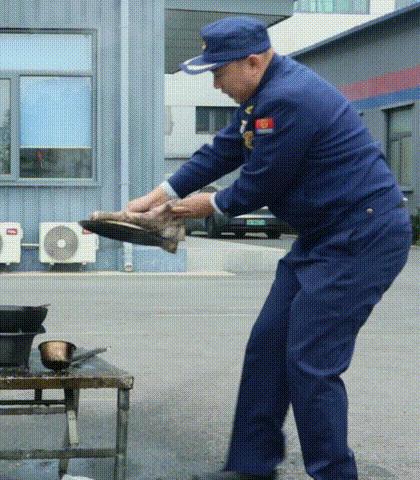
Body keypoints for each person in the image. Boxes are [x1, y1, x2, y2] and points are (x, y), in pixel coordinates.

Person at [122, 16, 411, 480]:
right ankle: (251, 467)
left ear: (253, 62)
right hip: (322, 234)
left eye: (219, 72)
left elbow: (257, 185)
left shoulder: (289, 98)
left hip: (362, 236)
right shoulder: (261, 98)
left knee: (311, 362)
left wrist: (191, 207)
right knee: (267, 350)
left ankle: (334, 475)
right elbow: (221, 152)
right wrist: (154, 197)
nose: (215, 84)